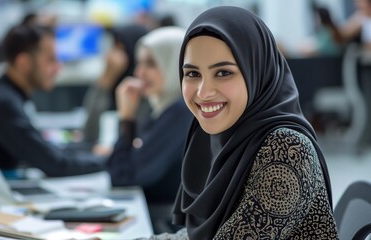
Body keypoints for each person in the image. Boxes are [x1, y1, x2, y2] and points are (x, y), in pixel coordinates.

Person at [145, 6, 339, 239]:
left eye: (223, 73)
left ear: (256, 71)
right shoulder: (222, 134)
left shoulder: (288, 149)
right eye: (193, 74)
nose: (203, 92)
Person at [0, 24, 103, 177]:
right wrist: (114, 161)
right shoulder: (2, 104)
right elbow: (56, 165)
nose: (58, 67)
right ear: (23, 63)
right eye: (51, 60)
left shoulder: (4, 96)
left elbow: (45, 150)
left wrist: (90, 150)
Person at [105, 26, 192, 233]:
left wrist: (126, 118)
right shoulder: (163, 109)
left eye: (151, 64)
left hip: (165, 226)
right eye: (139, 63)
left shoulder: (180, 113)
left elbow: (124, 177)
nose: (139, 73)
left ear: (177, 65)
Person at [82, 24, 148, 146]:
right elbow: (89, 130)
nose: (112, 56)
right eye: (114, 47)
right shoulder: (112, 81)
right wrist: (106, 78)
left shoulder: (145, 90)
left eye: (120, 49)